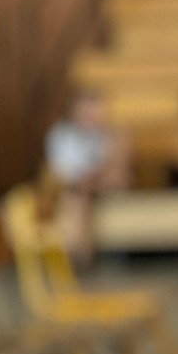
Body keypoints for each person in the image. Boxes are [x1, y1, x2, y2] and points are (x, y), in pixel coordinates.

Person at [43, 86, 131, 268]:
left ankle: (81, 256)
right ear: (75, 111)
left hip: (95, 185)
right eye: (89, 112)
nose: (95, 116)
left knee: (118, 160)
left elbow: (116, 174)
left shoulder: (104, 135)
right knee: (77, 199)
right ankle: (77, 255)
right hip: (71, 188)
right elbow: (65, 174)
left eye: (97, 111)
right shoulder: (61, 136)